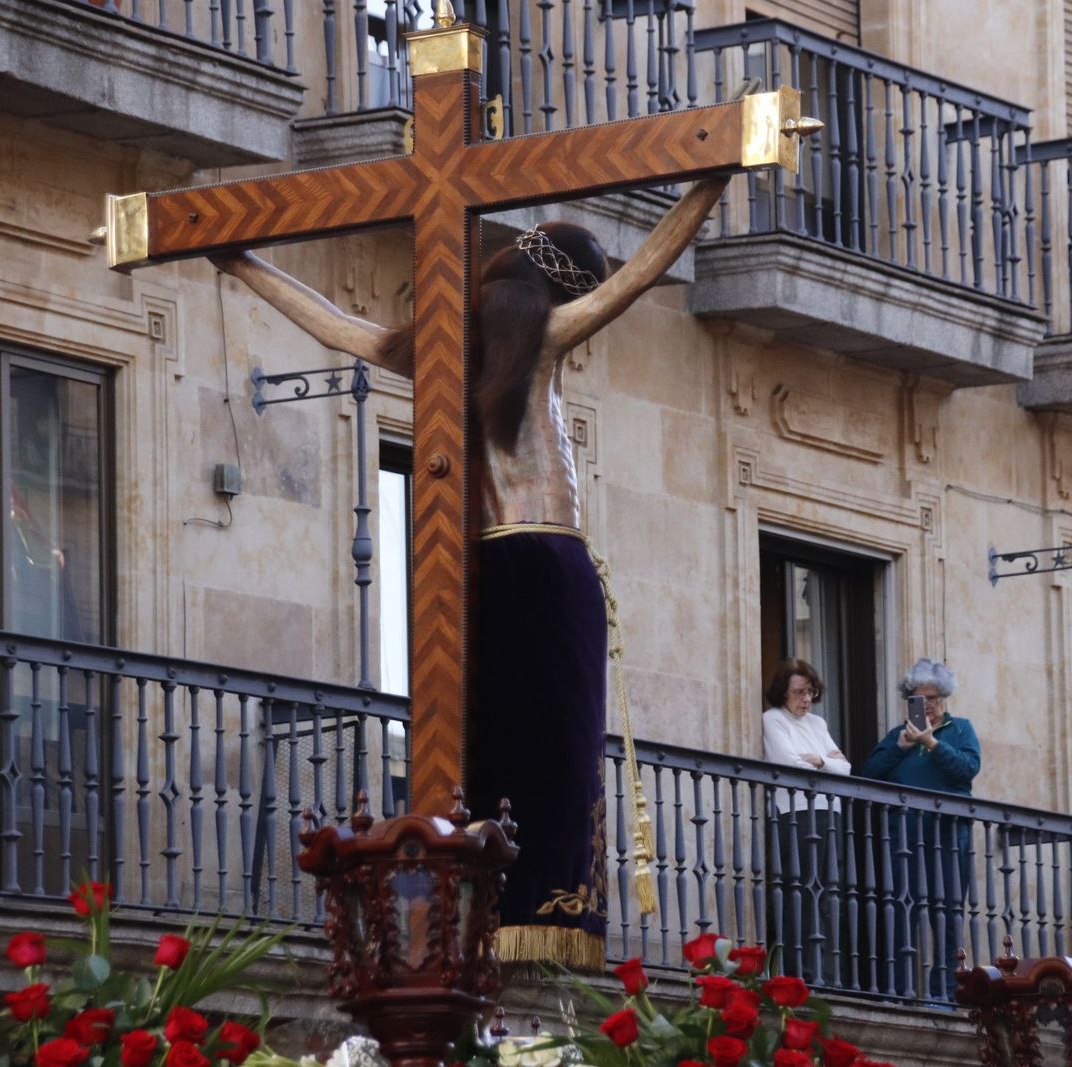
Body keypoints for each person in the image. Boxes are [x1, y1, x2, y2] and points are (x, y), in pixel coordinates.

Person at [211, 176, 728, 971]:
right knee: (554, 757)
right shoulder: (546, 339)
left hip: (475, 569)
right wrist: (713, 179)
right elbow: (643, 274)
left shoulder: (444, 353)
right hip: (548, 566)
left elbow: (340, 326)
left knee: (485, 748)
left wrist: (243, 265)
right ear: (557, 292)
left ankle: (476, 905)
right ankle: (532, 907)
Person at [862, 657, 980, 1000]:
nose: (924, 705)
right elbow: (869, 773)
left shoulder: (961, 730)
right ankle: (898, 991)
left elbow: (968, 768)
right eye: (916, 699)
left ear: (944, 699)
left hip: (948, 834)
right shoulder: (897, 735)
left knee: (947, 916)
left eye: (930, 698)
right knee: (902, 912)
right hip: (904, 835)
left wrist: (933, 744)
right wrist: (901, 747)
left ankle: (943, 995)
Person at [761, 659, 851, 983]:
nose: (806, 700)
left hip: (830, 813)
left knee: (827, 894)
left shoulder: (818, 724)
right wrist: (827, 763)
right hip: (795, 814)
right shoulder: (773, 720)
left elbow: (847, 768)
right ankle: (799, 972)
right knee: (799, 890)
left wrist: (820, 761)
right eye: (799, 692)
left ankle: (824, 973)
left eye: (810, 692)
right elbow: (788, 764)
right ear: (782, 693)